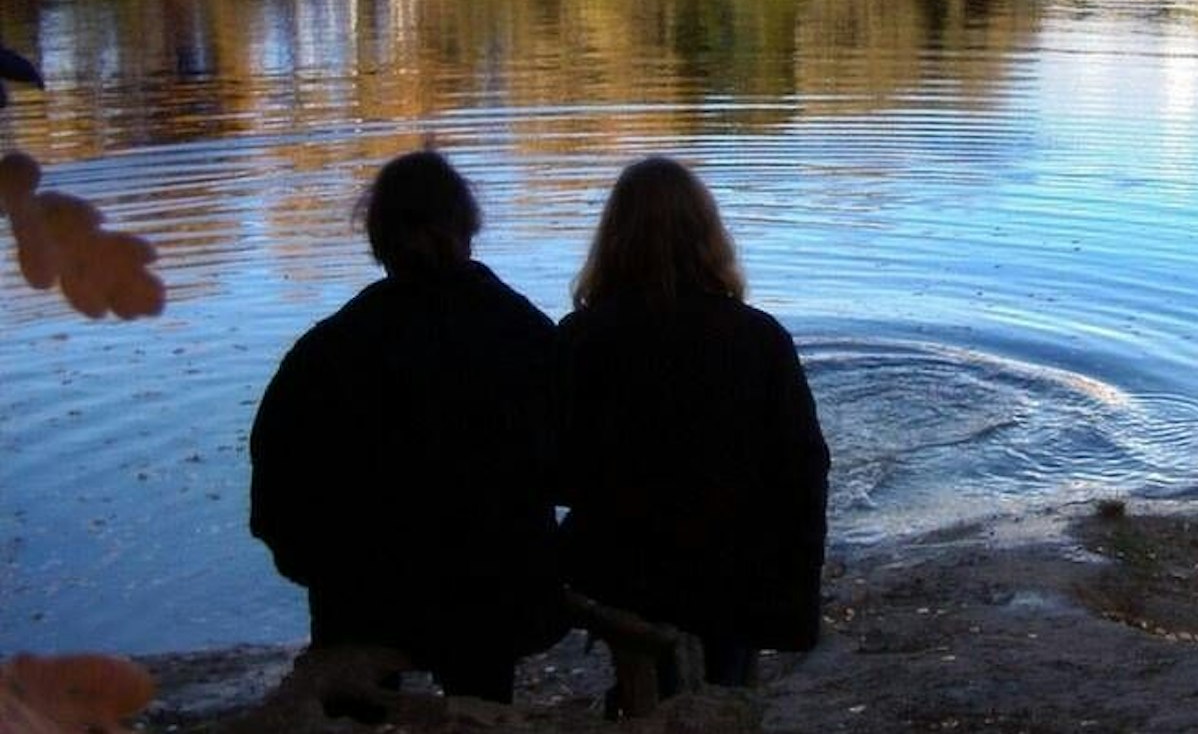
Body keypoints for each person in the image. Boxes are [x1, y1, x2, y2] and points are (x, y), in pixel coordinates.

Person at [249, 150, 565, 705]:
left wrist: (322, 568)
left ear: (377, 239)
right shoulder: (528, 336)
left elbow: (275, 502)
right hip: (500, 600)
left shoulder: (325, 352)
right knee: (482, 675)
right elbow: (570, 469)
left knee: (354, 686)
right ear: (466, 229)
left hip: (361, 603)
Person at [556, 155, 829, 692]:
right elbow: (803, 468)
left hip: (617, 566)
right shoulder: (759, 338)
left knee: (643, 654)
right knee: (724, 674)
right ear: (710, 236)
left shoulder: (579, 338)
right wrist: (796, 590)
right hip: (731, 566)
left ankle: (641, 688)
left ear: (612, 239)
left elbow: (556, 468)